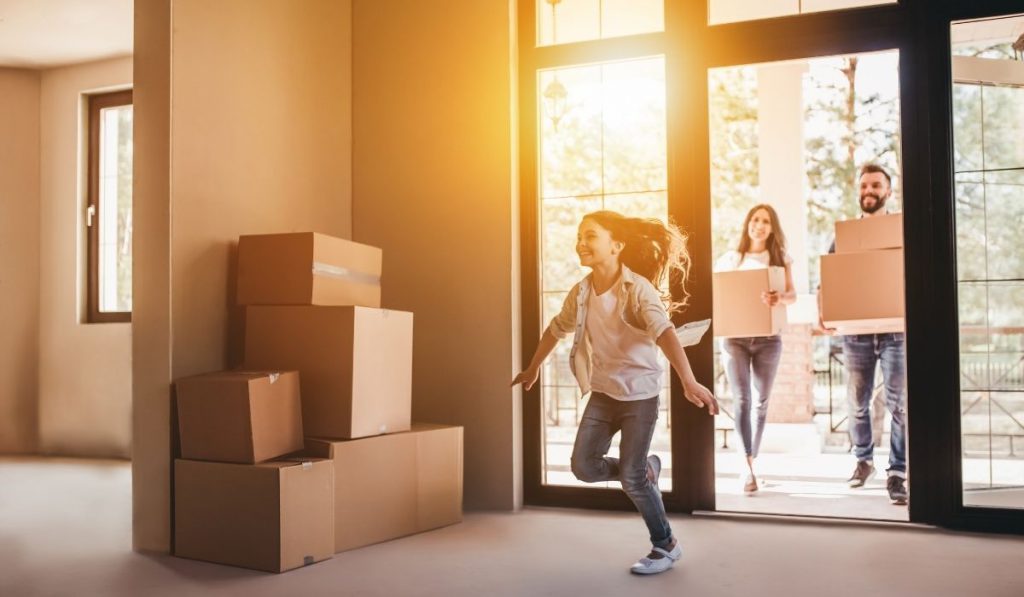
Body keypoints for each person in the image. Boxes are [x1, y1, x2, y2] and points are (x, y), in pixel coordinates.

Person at [511, 210, 718, 576]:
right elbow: (555, 329)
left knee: (632, 479)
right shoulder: (581, 292)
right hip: (604, 394)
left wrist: (688, 380)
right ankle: (641, 470)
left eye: (590, 235)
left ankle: (665, 544)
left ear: (616, 245)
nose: (581, 242)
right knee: (583, 467)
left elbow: (665, 332)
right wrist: (532, 368)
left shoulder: (638, 288)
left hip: (640, 396)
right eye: (579, 235)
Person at [818, 163, 908, 506]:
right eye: (864, 186)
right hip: (855, 333)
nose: (869, 191)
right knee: (857, 403)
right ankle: (863, 460)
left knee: (900, 405)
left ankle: (897, 472)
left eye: (876, 185)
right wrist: (824, 313)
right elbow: (827, 278)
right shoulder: (844, 235)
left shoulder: (900, 230)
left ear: (888, 191)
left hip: (895, 330)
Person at [715, 204, 796, 494]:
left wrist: (779, 298)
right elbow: (719, 294)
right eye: (755, 219)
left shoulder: (780, 258)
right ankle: (746, 466)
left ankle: (752, 459)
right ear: (747, 223)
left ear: (772, 228)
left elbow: (792, 295)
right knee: (742, 400)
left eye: (765, 221)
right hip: (735, 339)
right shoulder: (730, 259)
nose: (759, 225)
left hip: (768, 339)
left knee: (761, 403)